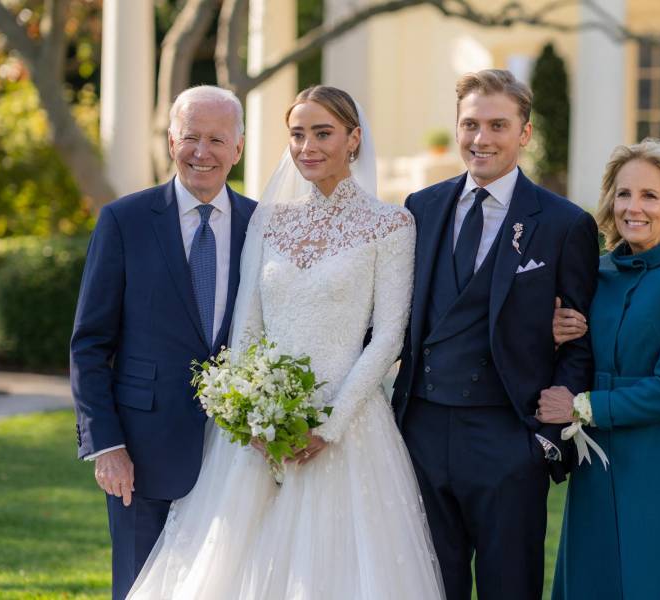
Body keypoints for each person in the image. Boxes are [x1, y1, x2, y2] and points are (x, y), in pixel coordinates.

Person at [125, 85, 445, 599]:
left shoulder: (391, 224)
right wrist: (251, 412)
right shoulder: (269, 221)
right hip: (257, 433)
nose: (307, 146)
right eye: (297, 134)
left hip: (348, 429)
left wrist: (330, 423)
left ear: (353, 139)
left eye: (323, 133)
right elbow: (247, 330)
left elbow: (388, 337)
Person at [391, 68, 600, 600]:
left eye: (498, 125)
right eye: (470, 124)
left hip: (509, 435)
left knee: (511, 587)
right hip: (421, 429)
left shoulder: (563, 223)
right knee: (431, 585)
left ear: (524, 134)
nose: (481, 139)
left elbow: (579, 341)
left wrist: (543, 441)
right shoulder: (421, 208)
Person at [70, 86, 256, 600]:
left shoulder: (262, 226)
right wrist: (106, 446)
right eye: (191, 137)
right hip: (141, 450)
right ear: (171, 139)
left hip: (237, 454)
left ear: (238, 149)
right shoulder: (124, 221)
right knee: (139, 587)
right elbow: (89, 343)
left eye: (217, 139)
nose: (202, 152)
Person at [539, 139, 660, 599]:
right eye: (624, 194)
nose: (634, 207)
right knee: (596, 574)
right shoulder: (596, 272)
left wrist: (581, 406)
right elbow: (579, 356)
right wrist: (554, 335)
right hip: (598, 458)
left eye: (650, 195)